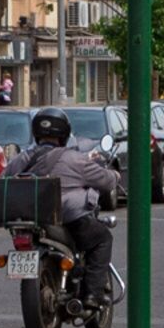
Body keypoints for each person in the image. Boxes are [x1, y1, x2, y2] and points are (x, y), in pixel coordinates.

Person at [19, 111, 122, 301]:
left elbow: (4, 178)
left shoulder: (24, 158)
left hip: (32, 218)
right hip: (70, 218)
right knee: (102, 239)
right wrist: (115, 175)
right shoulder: (75, 159)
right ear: (65, 135)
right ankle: (92, 294)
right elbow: (106, 181)